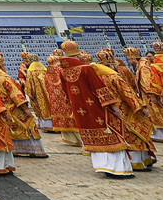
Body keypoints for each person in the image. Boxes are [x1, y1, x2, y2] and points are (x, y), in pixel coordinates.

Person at [57, 41, 136, 177]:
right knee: (111, 133)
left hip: (80, 111)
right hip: (97, 108)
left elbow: (65, 93)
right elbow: (99, 88)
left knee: (92, 135)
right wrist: (112, 106)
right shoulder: (87, 69)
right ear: (78, 55)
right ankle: (117, 168)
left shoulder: (63, 72)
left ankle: (101, 166)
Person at [94, 48, 157, 171]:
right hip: (125, 109)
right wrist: (141, 107)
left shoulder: (96, 78)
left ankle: (128, 161)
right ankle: (138, 161)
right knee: (135, 134)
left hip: (107, 111)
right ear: (112, 64)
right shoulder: (114, 76)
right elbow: (128, 93)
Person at [0, 54, 47, 158]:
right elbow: (15, 95)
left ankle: (15, 149)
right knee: (29, 123)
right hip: (13, 109)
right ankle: (34, 150)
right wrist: (25, 109)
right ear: (0, 66)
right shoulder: (4, 78)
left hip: (0, 111)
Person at [45, 52, 82, 146]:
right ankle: (79, 139)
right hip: (66, 98)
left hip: (55, 100)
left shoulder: (47, 72)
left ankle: (69, 138)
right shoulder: (61, 71)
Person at [23, 54, 53, 131]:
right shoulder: (44, 69)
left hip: (38, 94)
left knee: (42, 108)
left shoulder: (30, 71)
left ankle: (46, 126)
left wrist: (30, 93)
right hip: (49, 92)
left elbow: (29, 86)